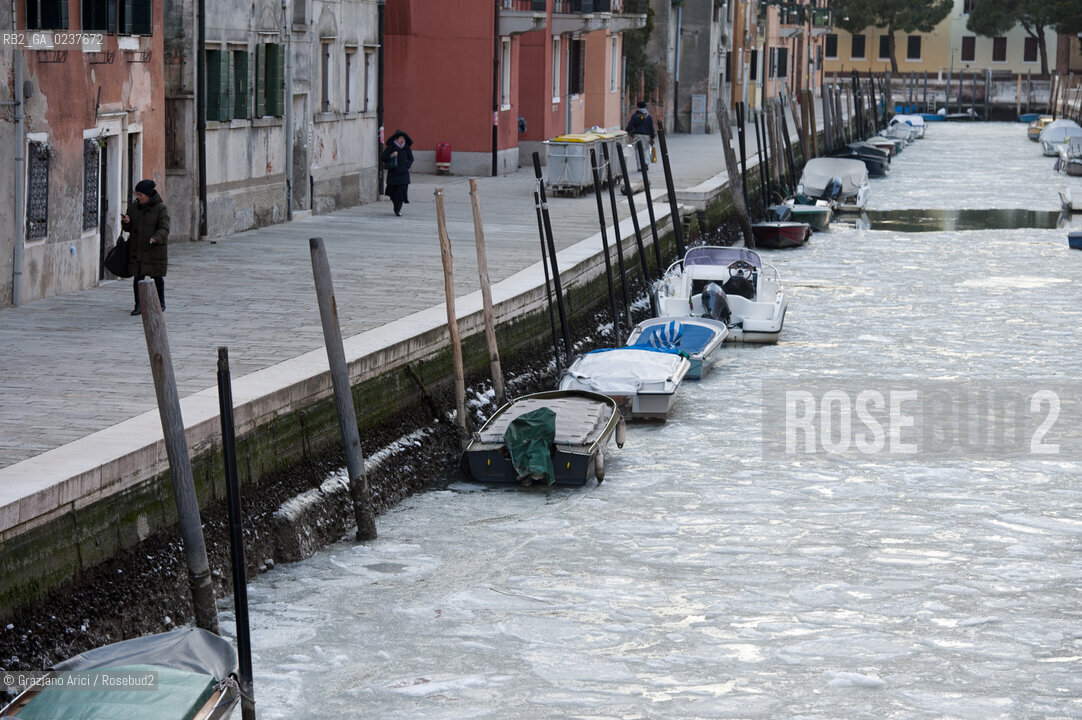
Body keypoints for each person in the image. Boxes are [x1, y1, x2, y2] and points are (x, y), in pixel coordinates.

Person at [122, 179, 170, 315]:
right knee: (138, 278)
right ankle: (138, 305)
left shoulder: (161, 209)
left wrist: (155, 238)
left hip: (154, 249)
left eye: (141, 195)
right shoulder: (133, 208)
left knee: (157, 278)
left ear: (148, 195)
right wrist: (126, 222)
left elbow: (164, 228)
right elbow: (128, 228)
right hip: (137, 249)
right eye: (137, 194)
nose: (138, 197)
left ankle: (160, 303)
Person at [382, 129, 415, 216]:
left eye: (403, 138)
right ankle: (395, 206)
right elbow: (383, 158)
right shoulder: (391, 147)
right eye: (400, 138)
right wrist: (391, 155)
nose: (402, 140)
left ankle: (398, 209)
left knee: (401, 193)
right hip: (393, 174)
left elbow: (411, 159)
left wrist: (406, 166)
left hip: (403, 174)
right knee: (393, 194)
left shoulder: (406, 147)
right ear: (396, 139)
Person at [625, 101, 655, 171]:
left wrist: (627, 132)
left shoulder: (635, 116)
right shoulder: (649, 116)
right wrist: (652, 137)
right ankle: (646, 163)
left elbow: (630, 125)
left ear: (638, 107)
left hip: (637, 134)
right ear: (645, 107)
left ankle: (640, 166)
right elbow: (651, 127)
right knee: (646, 149)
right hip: (646, 135)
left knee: (638, 150)